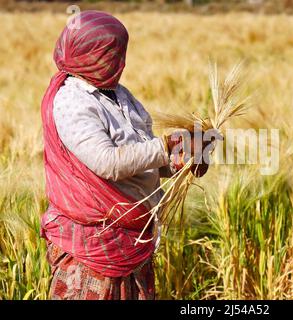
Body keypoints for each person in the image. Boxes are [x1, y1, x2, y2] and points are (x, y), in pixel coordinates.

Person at [40, 10, 207, 300]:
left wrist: (183, 158)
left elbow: (142, 154)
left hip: (133, 234)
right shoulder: (72, 101)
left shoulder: (118, 94)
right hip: (93, 242)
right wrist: (165, 147)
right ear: (91, 54)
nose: (120, 61)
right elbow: (108, 163)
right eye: (113, 53)